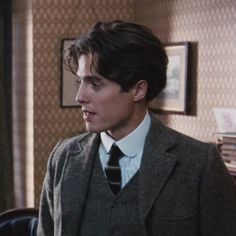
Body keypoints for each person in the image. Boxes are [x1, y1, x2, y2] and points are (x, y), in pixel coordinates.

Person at [37, 20, 236, 236]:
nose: (80, 97)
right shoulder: (64, 157)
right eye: (80, 83)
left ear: (138, 90)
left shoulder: (200, 164)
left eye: (95, 84)